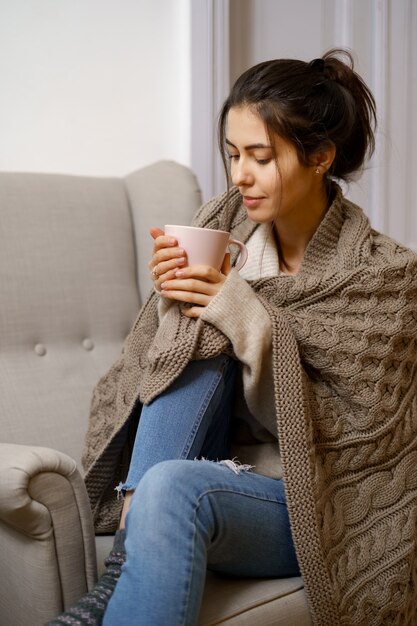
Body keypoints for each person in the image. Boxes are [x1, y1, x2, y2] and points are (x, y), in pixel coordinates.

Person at [46, 48, 417, 626]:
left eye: (261, 157)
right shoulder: (221, 230)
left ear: (320, 157)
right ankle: (123, 566)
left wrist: (245, 313)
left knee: (174, 484)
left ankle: (114, 580)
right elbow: (157, 371)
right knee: (193, 339)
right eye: (232, 153)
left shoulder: (385, 277)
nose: (240, 174)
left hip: (312, 504)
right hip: (209, 467)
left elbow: (347, 445)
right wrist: (176, 299)